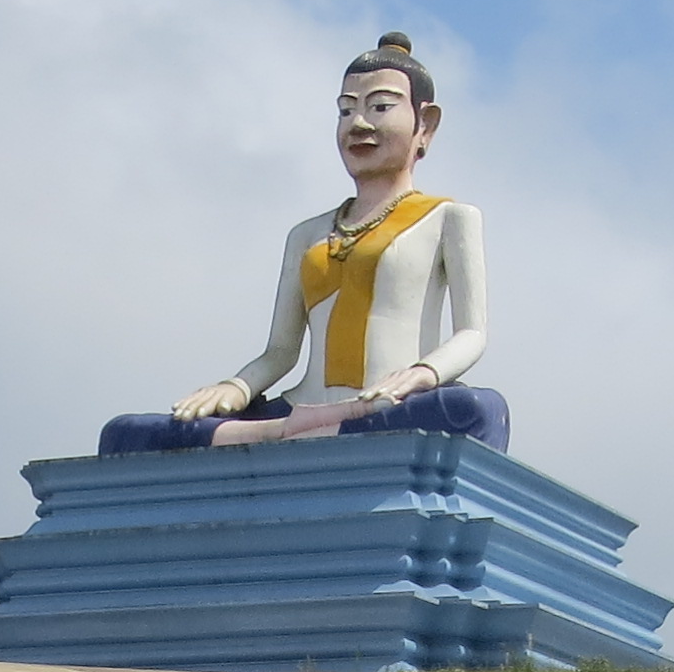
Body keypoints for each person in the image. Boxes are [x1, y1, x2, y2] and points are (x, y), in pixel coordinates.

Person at [99, 31, 508, 455]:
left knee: (473, 409)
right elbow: (280, 351)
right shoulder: (307, 234)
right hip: (300, 407)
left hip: (388, 405)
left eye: (380, 107)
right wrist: (236, 388)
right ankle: (297, 430)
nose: (359, 124)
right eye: (346, 111)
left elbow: (472, 333)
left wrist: (424, 374)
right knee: (126, 435)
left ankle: (279, 438)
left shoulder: (448, 219)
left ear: (426, 124)